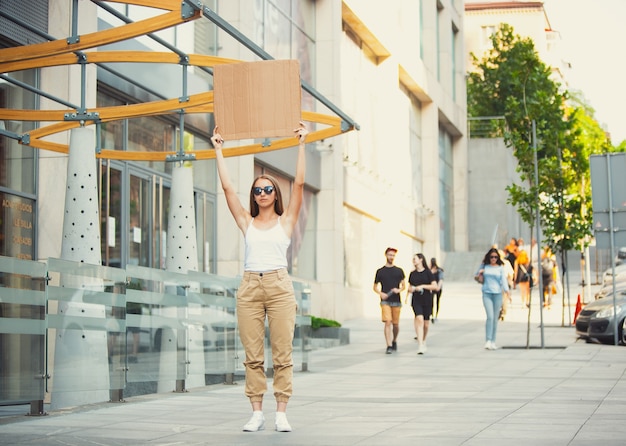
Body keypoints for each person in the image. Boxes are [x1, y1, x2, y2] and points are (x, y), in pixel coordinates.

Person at [211, 122, 308, 433]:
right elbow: (227, 188)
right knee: (252, 355)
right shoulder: (246, 221)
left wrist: (302, 144)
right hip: (250, 286)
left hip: (279, 286)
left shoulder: (287, 220)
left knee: (283, 353)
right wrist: (218, 150)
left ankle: (281, 412)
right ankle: (256, 412)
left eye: (268, 189)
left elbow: (301, 185)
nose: (263, 193)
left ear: (275, 194)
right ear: (253, 196)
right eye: (258, 190)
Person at [373, 247, 406, 354]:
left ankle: (394, 340)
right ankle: (389, 345)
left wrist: (399, 290)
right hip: (385, 301)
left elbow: (404, 286)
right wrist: (380, 293)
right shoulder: (380, 271)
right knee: (387, 322)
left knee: (395, 324)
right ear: (386, 255)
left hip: (396, 300)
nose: (391, 257)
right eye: (390, 255)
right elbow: (374, 286)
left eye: (393, 255)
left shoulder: (399, 271)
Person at [475, 247, 509, 350]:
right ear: (488, 258)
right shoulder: (485, 266)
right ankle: (488, 340)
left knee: (495, 318)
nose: (493, 259)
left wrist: (507, 291)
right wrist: (480, 272)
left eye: (495, 257)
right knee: (489, 316)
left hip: (497, 294)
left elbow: (503, 280)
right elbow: (476, 275)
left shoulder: (500, 268)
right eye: (491, 257)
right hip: (487, 293)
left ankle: (493, 341)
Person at [406, 253, 438, 354]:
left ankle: (423, 340)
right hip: (416, 300)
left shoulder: (428, 273)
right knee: (419, 320)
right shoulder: (412, 274)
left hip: (427, 300)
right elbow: (409, 287)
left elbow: (435, 286)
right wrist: (409, 294)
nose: (413, 261)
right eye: (413, 259)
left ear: (420, 260)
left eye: (415, 259)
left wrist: (423, 286)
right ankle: (420, 345)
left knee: (426, 324)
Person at [429, 257, 444, 322]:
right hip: (433, 288)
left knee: (435, 302)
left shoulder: (439, 270)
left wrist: (438, 287)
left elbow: (441, 279)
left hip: (436, 288)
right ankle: (433, 315)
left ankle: (434, 315)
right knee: (434, 302)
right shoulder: (430, 271)